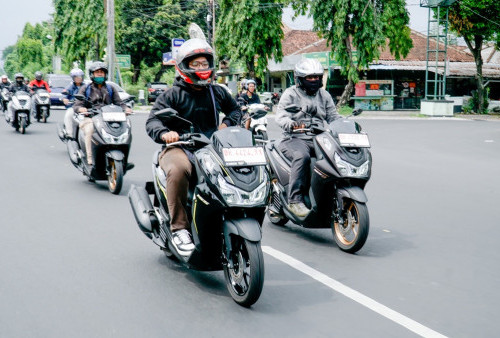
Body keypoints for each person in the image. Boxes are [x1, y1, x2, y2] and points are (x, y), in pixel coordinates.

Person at [145, 38, 241, 254]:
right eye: (196, 64)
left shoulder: (217, 92)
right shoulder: (171, 95)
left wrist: (226, 124)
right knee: (178, 170)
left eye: (204, 64)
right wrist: (165, 133)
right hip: (180, 147)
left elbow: (235, 110)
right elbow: (152, 121)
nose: (201, 68)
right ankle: (179, 228)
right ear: (184, 66)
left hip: (211, 147)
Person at [276, 58, 342, 217]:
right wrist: (291, 124)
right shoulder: (290, 93)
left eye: (316, 77)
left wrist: (344, 126)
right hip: (294, 139)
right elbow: (280, 117)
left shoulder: (324, 95)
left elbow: (333, 117)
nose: (314, 80)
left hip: (319, 138)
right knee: (302, 157)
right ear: (300, 79)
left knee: (337, 157)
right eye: (309, 78)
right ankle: (295, 200)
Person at [73, 62, 131, 168]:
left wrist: (126, 109)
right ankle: (90, 159)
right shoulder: (86, 89)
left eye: (102, 72)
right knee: (90, 130)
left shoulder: (110, 88)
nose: (100, 74)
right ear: (92, 74)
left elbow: (119, 103)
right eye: (97, 72)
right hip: (90, 118)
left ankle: (124, 160)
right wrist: (81, 108)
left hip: (108, 118)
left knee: (125, 128)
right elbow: (77, 105)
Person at [61, 68, 85, 138]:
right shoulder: (70, 87)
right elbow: (64, 94)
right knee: (68, 115)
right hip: (73, 106)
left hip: (83, 107)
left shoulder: (86, 86)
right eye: (77, 77)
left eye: (80, 77)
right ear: (73, 78)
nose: (79, 78)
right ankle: (69, 133)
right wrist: (65, 99)